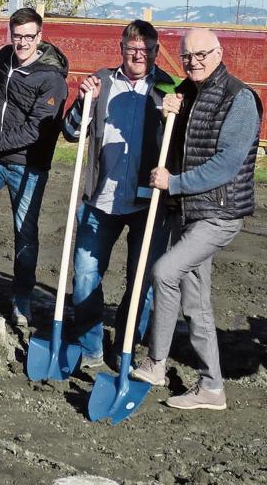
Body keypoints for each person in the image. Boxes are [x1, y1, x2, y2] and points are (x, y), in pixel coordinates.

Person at [131, 28, 262, 411]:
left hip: (219, 213)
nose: (194, 62)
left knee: (165, 271)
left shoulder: (240, 99)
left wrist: (174, 183)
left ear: (219, 53)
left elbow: (226, 164)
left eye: (202, 54)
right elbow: (171, 145)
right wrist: (164, 113)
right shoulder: (186, 93)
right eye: (187, 56)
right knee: (196, 301)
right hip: (189, 212)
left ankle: (156, 363)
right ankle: (212, 388)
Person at [63, 20, 179, 369]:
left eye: (146, 50)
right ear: (121, 49)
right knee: (85, 273)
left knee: (141, 279)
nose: (138, 55)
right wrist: (85, 102)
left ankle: (126, 344)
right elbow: (70, 132)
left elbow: (182, 144)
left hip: (149, 203)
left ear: (156, 52)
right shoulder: (100, 81)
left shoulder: (167, 88)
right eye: (132, 49)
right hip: (101, 198)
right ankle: (92, 347)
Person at [0, 7, 69, 326]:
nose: (21, 42)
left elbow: (32, 133)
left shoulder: (51, 79)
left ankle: (22, 299)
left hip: (28, 165)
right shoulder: (6, 56)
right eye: (17, 35)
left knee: (25, 233)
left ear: (40, 37)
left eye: (28, 37)